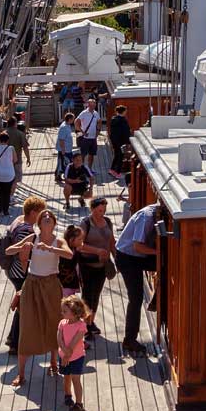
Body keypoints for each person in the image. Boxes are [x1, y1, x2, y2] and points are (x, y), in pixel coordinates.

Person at [11, 210, 72, 388]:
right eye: (43, 218)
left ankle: (53, 362)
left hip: (51, 285)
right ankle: (21, 374)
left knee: (54, 323)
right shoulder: (32, 238)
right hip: (32, 285)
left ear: (53, 223)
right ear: (39, 223)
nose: (46, 220)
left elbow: (69, 254)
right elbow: (9, 251)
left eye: (49, 218)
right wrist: (21, 248)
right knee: (27, 326)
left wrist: (51, 249)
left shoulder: (58, 241)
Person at [0, 196, 47, 354]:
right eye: (41, 213)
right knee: (24, 307)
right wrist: (29, 274)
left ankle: (14, 338)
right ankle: (14, 342)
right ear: (33, 212)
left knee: (23, 306)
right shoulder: (26, 230)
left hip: (12, 270)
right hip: (20, 272)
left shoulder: (19, 220)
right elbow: (23, 255)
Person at [114, 201, 162, 355]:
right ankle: (130, 340)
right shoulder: (146, 217)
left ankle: (158, 298)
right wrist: (158, 253)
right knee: (135, 299)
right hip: (127, 258)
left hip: (136, 257)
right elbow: (137, 246)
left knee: (165, 265)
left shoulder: (154, 214)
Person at [78, 197, 116, 336]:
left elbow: (111, 242)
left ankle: (90, 322)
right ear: (92, 209)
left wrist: (116, 257)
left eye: (104, 210)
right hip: (87, 265)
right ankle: (84, 324)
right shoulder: (86, 223)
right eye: (100, 210)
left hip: (102, 265)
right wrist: (97, 251)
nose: (102, 213)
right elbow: (80, 245)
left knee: (96, 294)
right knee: (88, 295)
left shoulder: (108, 222)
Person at [57, 297, 92, 411]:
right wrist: (63, 351)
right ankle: (68, 395)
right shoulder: (62, 323)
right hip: (64, 355)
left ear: (74, 313)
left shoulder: (81, 326)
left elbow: (75, 342)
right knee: (66, 377)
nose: (62, 313)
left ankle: (78, 403)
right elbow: (59, 338)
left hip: (76, 357)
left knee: (75, 379)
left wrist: (67, 354)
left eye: (65, 311)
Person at [0, 130, 21, 216]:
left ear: (0, 140)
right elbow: (15, 160)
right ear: (7, 140)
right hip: (9, 174)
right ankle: (6, 210)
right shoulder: (11, 148)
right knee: (7, 192)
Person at [107, 104, 133, 181]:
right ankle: (117, 172)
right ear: (123, 111)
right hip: (121, 142)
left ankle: (112, 170)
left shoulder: (114, 120)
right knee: (120, 156)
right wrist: (128, 141)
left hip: (115, 141)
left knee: (117, 155)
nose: (126, 112)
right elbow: (125, 132)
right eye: (125, 111)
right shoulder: (122, 120)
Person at [76, 97, 102, 166]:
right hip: (85, 138)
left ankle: (89, 169)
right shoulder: (84, 113)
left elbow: (99, 121)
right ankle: (82, 169)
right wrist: (82, 132)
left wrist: (98, 131)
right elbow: (76, 122)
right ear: (88, 105)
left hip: (93, 138)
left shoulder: (96, 113)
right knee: (83, 155)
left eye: (94, 105)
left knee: (92, 154)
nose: (93, 106)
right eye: (92, 105)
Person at [54, 115, 76, 182]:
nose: (73, 120)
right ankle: (60, 176)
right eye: (72, 119)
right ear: (69, 119)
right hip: (64, 150)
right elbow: (61, 140)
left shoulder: (67, 125)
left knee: (64, 163)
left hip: (68, 149)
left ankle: (60, 175)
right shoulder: (64, 127)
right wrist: (63, 150)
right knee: (63, 163)